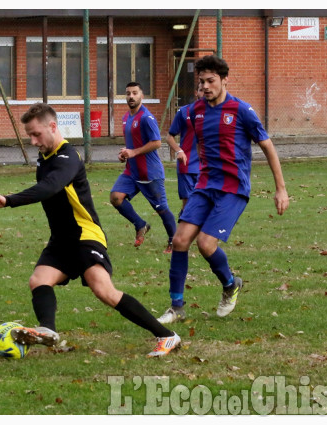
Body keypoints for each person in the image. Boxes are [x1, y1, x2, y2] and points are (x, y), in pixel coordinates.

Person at [0, 103, 180, 357]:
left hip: (85, 235)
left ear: (52, 127)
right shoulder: (45, 159)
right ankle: (47, 330)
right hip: (61, 239)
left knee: (104, 291)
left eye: (36, 134)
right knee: (39, 280)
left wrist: (9, 199)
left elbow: (50, 187)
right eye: (29, 135)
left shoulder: (68, 157)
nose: (32, 141)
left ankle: (167, 336)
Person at [157, 55, 289, 324]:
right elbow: (172, 135)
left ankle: (230, 285)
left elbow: (267, 146)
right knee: (180, 241)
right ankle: (176, 307)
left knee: (206, 244)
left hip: (233, 188)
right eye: (201, 81)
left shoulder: (241, 110)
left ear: (224, 80)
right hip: (204, 184)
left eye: (211, 81)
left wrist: (281, 189)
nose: (205, 86)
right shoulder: (194, 111)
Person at [110, 82, 177, 253]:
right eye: (128, 93)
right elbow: (132, 145)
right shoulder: (126, 117)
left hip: (150, 172)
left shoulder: (147, 118)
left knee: (161, 209)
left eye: (134, 93)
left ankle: (174, 241)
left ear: (142, 96)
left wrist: (134, 152)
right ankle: (140, 224)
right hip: (131, 171)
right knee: (116, 197)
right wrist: (125, 154)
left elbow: (156, 143)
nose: (131, 96)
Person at [165, 83, 204, 216]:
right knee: (188, 204)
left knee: (205, 204)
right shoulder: (184, 112)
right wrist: (179, 151)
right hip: (187, 165)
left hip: (207, 166)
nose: (204, 92)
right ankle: (181, 233)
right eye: (201, 90)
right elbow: (169, 137)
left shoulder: (215, 113)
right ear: (196, 92)